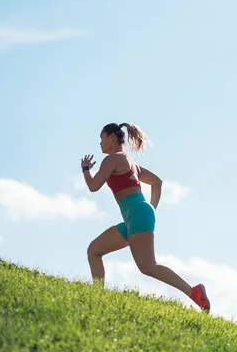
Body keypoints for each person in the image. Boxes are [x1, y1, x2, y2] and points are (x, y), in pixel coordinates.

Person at [82, 122, 210, 312]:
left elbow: (93, 186)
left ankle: (195, 293)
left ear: (111, 138)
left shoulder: (112, 159)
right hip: (136, 215)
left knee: (147, 266)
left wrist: (85, 169)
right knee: (94, 250)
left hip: (137, 214)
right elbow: (157, 182)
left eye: (102, 137)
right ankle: (97, 298)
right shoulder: (130, 161)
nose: (100, 143)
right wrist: (151, 210)